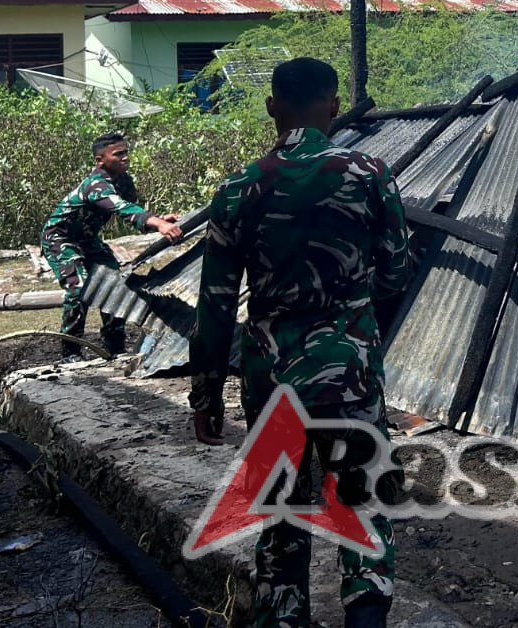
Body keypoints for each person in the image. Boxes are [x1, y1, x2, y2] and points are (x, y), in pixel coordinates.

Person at [188, 57, 414, 628]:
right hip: (349, 372)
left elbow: (215, 302)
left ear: (272, 107)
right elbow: (395, 273)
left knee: (282, 519)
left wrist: (205, 393)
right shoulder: (369, 173)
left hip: (271, 378)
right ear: (334, 105)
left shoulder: (240, 186)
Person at [41, 131, 182, 359]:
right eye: (118, 154)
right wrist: (157, 225)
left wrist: (160, 219)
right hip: (60, 238)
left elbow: (132, 208)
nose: (125, 157)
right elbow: (120, 208)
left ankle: (115, 347)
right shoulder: (95, 185)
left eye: (126, 152)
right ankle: (70, 352)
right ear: (100, 160)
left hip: (88, 239)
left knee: (115, 285)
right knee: (79, 289)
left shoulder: (123, 181)